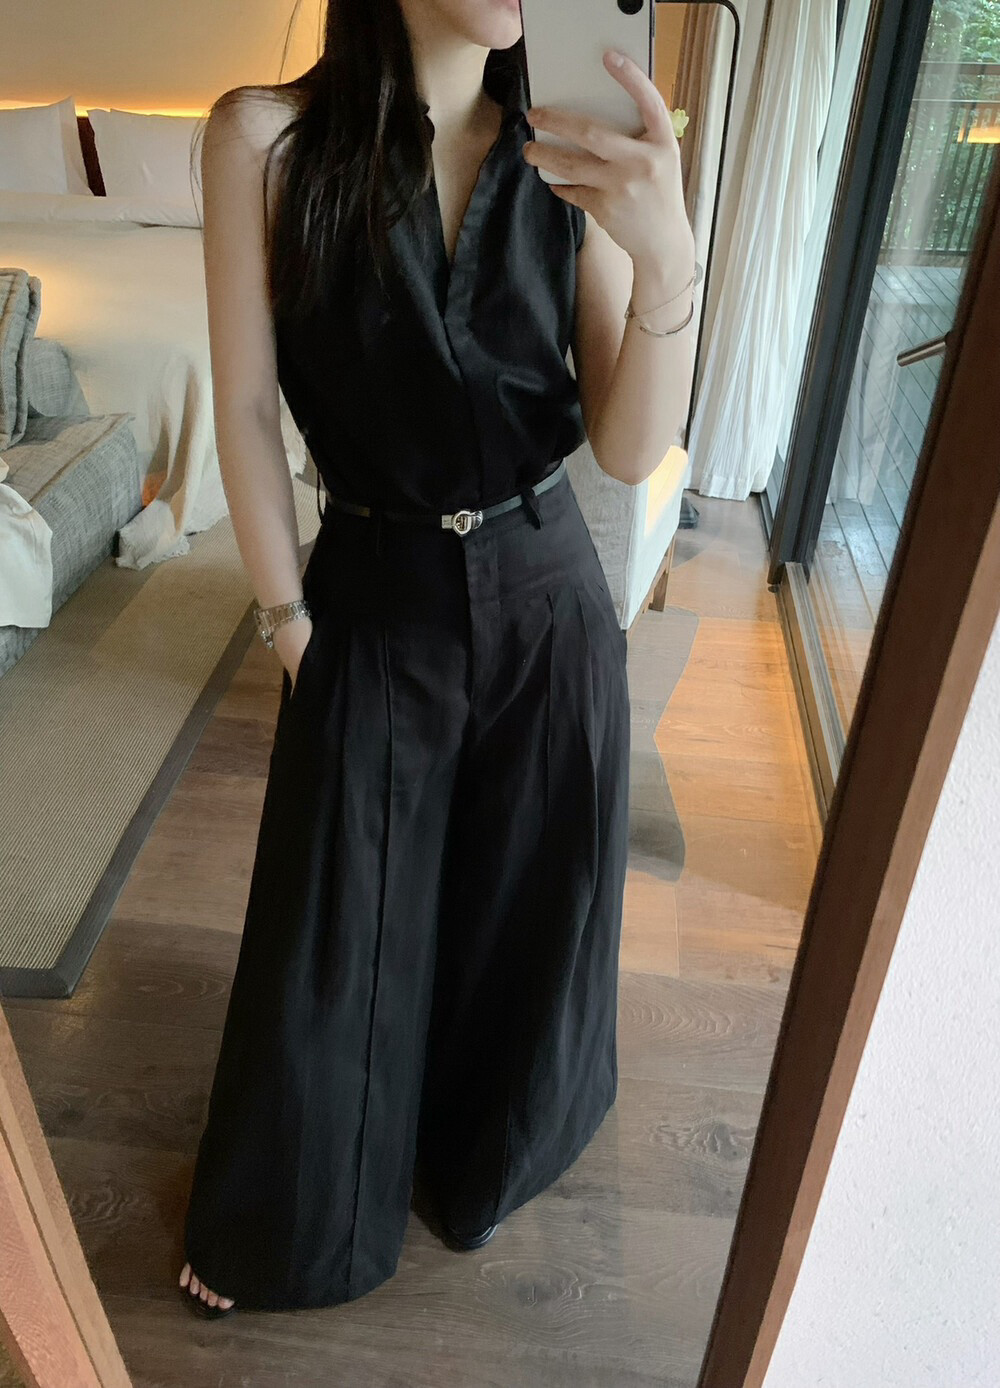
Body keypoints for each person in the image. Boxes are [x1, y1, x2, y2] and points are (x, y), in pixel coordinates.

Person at [178, 0, 695, 1318]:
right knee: (342, 922)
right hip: (373, 584)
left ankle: (485, 1159)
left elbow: (628, 448)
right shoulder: (262, 140)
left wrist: (669, 267)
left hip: (546, 588)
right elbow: (244, 404)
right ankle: (293, 1222)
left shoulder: (566, 150)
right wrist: (288, 621)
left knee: (528, 903)